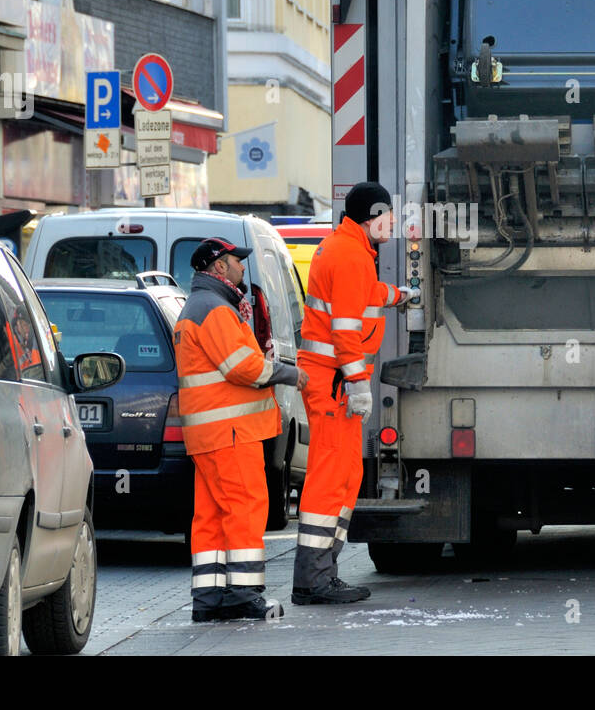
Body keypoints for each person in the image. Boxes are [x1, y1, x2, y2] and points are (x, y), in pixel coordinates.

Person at [291, 182, 419, 605]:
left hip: (332, 382)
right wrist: (358, 385)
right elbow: (345, 330)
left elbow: (366, 297)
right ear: (372, 213)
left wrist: (401, 295)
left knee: (345, 474)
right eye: (389, 215)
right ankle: (313, 580)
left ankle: (321, 574)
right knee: (331, 478)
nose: (394, 222)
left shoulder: (348, 250)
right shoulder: (349, 256)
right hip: (335, 384)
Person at [175, 237, 307, 621]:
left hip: (210, 435)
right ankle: (244, 594)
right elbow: (242, 368)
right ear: (218, 267)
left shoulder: (197, 309)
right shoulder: (215, 310)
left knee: (212, 515)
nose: (242, 267)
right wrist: (287, 373)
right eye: (236, 261)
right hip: (231, 432)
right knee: (245, 508)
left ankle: (210, 597)